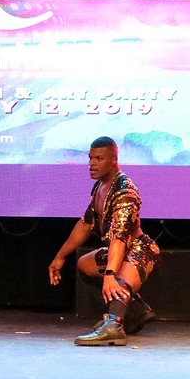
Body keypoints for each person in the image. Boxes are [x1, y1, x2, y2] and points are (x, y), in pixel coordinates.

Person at [47, 136, 160, 346]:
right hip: (119, 249)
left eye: (99, 159)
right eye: (90, 158)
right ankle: (136, 310)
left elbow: (120, 238)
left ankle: (114, 326)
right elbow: (85, 224)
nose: (92, 164)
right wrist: (60, 256)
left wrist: (109, 274)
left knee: (117, 280)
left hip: (140, 249)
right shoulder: (100, 185)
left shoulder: (125, 192)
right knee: (84, 265)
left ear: (113, 160)